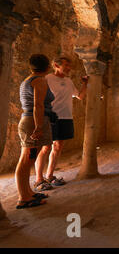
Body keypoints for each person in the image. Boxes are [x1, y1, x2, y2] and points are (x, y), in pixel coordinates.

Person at [34, 56, 88, 191]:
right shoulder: (47, 79)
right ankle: (39, 180)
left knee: (58, 147)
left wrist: (85, 84)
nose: (69, 68)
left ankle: (50, 176)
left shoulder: (68, 81)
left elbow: (80, 96)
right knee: (45, 148)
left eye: (69, 65)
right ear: (56, 66)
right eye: (66, 65)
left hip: (65, 117)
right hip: (51, 118)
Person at [15, 54, 55, 209]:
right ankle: (23, 198)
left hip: (30, 120)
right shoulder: (39, 81)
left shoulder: (27, 80)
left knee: (28, 159)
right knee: (27, 160)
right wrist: (38, 127)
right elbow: (38, 105)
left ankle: (28, 192)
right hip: (33, 122)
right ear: (47, 66)